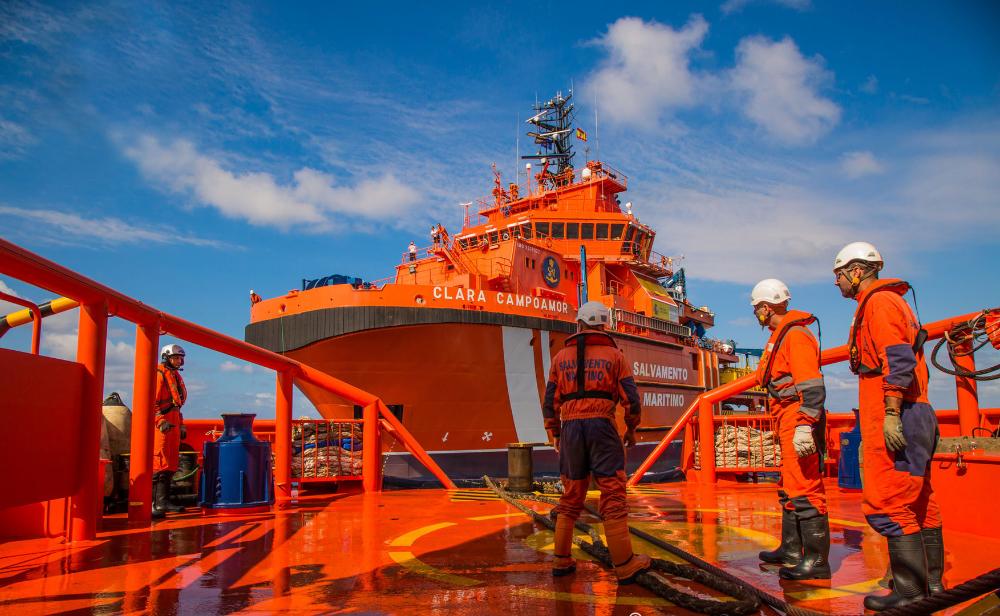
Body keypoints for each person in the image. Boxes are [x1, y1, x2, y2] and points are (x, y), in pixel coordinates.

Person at [833, 241, 943, 610]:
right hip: (917, 409)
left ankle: (910, 596)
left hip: (895, 412)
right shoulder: (895, 302)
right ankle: (932, 585)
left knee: (888, 504)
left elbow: (896, 359)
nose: (837, 283)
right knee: (921, 504)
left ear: (857, 271)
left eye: (839, 275)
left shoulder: (878, 303)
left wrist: (892, 413)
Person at [542, 301, 650, 584]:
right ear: (604, 326)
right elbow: (632, 399)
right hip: (602, 426)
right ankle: (625, 564)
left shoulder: (559, 358)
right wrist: (631, 429)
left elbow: (549, 401)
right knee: (612, 491)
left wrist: (554, 433)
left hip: (571, 429)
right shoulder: (615, 356)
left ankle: (561, 560)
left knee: (571, 494)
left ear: (578, 324)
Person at [751, 279, 830, 580]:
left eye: (757, 309)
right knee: (790, 484)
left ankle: (816, 562)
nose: (756, 314)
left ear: (765, 308)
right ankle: (792, 549)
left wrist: (805, 425)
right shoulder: (781, 335)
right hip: (786, 414)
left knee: (805, 485)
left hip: (797, 415)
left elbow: (811, 384)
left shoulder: (794, 336)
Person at [153, 343, 187, 519]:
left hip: (173, 422)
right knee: (159, 462)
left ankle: (163, 501)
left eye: (180, 358)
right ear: (166, 357)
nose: (179, 361)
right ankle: (155, 503)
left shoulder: (173, 376)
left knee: (171, 462)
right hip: (162, 425)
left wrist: (181, 425)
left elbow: (177, 405)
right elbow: (151, 402)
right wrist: (160, 421)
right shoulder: (159, 375)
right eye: (175, 357)